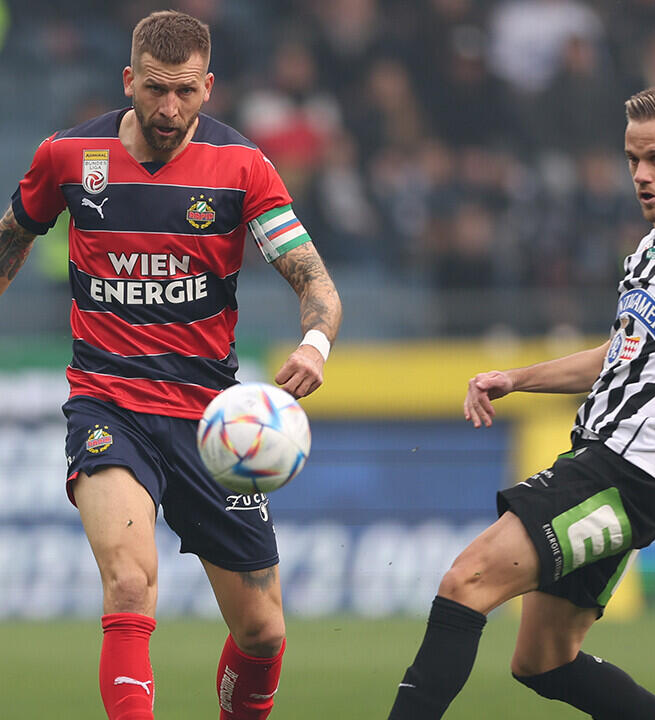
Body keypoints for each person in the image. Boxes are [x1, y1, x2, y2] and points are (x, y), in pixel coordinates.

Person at [0, 10, 341, 720]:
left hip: (211, 423)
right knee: (128, 584)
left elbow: (315, 281)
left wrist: (315, 344)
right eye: (155, 89)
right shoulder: (68, 156)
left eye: (185, 91)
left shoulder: (243, 167)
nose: (169, 107)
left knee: (264, 632)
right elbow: (10, 238)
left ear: (208, 86)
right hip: (108, 404)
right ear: (129, 80)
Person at [387, 83, 655, 720]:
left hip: (627, 467)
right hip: (616, 463)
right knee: (542, 659)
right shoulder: (653, 248)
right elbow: (613, 357)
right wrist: (518, 377)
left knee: (466, 580)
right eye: (632, 160)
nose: (641, 176)